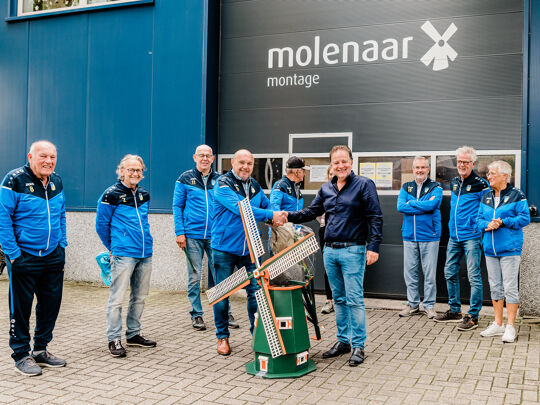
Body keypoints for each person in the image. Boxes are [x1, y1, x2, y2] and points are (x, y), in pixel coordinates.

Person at [285, 145, 383, 367]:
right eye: (336, 162)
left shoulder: (364, 185)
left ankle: (358, 345)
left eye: (344, 161)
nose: (340, 165)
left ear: (351, 161)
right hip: (330, 250)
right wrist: (287, 215)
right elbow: (311, 212)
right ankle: (343, 342)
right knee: (338, 298)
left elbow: (375, 217)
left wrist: (374, 247)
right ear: (332, 165)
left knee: (354, 299)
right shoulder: (326, 188)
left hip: (353, 249)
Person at [0, 140, 67, 376]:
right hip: (24, 257)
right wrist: (14, 254)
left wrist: (62, 244)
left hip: (53, 256)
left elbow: (61, 214)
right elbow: (3, 219)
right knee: (21, 308)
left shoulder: (56, 180)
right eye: (43, 156)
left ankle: (40, 350)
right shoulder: (14, 180)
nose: (48, 161)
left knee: (50, 305)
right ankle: (21, 354)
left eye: (52, 157)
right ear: (30, 157)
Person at [211, 149, 286, 356]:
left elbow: (266, 204)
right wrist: (272, 214)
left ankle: (257, 334)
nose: (245, 167)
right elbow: (242, 209)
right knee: (222, 294)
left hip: (250, 249)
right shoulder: (222, 184)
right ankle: (222, 336)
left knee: (256, 293)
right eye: (241, 162)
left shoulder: (254, 186)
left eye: (249, 163)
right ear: (233, 162)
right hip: (224, 248)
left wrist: (277, 217)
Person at [96, 154, 157, 358]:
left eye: (138, 170)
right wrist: (113, 247)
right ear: (121, 171)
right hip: (123, 254)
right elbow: (101, 225)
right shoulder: (110, 194)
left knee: (139, 297)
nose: (135, 173)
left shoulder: (144, 194)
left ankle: (133, 334)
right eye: (130, 170)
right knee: (117, 299)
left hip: (144, 252)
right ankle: (114, 338)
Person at [173, 145, 238, 331]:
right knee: (194, 276)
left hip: (216, 236)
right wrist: (180, 232)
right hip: (192, 235)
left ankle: (225, 312)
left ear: (212, 158)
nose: (204, 158)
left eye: (207, 156)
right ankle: (197, 314)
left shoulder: (220, 180)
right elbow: (177, 206)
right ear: (195, 157)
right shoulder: (185, 179)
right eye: (201, 155)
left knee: (221, 276)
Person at [434, 146, 490, 331]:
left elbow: (487, 210)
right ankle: (455, 310)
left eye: (466, 162)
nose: (462, 165)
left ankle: (473, 316)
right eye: (459, 161)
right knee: (449, 272)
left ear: (473, 163)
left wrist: (478, 227)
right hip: (454, 236)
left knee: (473, 276)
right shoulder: (455, 181)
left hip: (472, 237)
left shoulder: (481, 185)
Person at [477, 161, 530, 343]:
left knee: (510, 288)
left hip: (509, 249)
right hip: (490, 249)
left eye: (492, 173)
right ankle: (498, 324)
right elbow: (477, 220)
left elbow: (524, 218)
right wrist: (487, 225)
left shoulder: (517, 195)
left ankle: (510, 327)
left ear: (505, 176)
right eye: (488, 173)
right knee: (495, 287)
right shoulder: (485, 196)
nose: (488, 176)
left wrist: (503, 221)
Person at [397, 156, 442, 319]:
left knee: (429, 274)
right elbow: (400, 206)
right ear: (413, 169)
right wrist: (420, 204)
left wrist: (412, 204)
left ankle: (429, 306)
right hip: (409, 235)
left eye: (423, 167)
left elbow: (432, 205)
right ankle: (413, 304)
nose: (420, 170)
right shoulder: (406, 187)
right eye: (417, 167)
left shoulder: (435, 186)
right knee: (410, 272)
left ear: (428, 169)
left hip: (430, 235)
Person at [268, 156, 306, 255]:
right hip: (281, 237)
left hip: (294, 235)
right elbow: (274, 208)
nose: (305, 173)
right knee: (279, 270)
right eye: (303, 171)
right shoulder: (280, 186)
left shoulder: (296, 188)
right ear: (297, 172)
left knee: (294, 270)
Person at [316, 166, 334, 314]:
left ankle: (342, 301)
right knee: (329, 267)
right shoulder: (324, 191)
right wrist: (324, 220)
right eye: (331, 173)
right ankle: (329, 301)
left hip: (343, 233)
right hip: (325, 230)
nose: (333, 175)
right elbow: (315, 211)